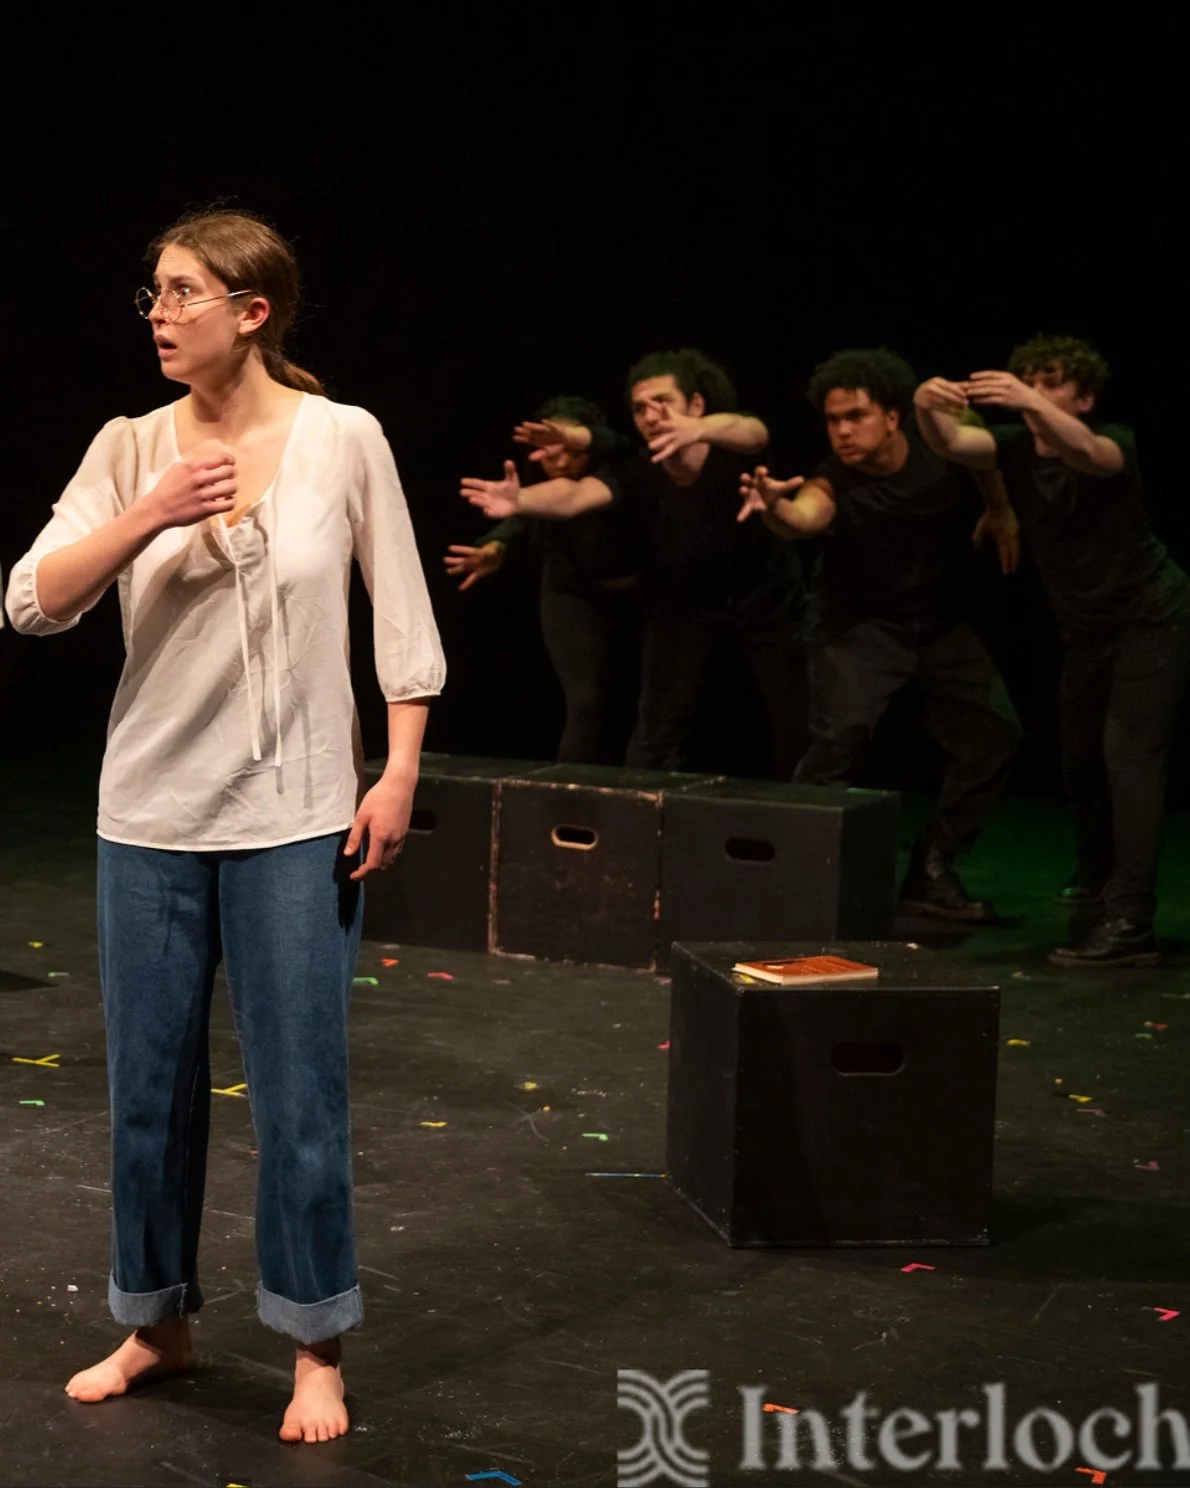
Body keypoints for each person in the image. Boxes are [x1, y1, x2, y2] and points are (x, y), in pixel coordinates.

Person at [4, 209, 445, 1439]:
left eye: (183, 292)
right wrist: (148, 515)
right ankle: (156, 1322)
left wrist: (397, 773)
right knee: (147, 1089)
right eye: (152, 292)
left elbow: (400, 614)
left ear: (251, 313)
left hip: (295, 815)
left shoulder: (342, 437)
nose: (159, 312)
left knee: (299, 1094)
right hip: (149, 812)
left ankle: (314, 1343)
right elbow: (30, 601)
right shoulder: (129, 446)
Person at [916, 335, 1190, 965]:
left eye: (1050, 383)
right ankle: (1098, 876)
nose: (1032, 392)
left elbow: (1090, 455)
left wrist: (1024, 399)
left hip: (1152, 617)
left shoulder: (1112, 439)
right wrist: (924, 404)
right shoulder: (1013, 447)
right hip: (1088, 629)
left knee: (1130, 755)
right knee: (1079, 756)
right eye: (1027, 380)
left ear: (1083, 398)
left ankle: (1131, 921)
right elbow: (951, 443)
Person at [739, 347, 1022, 921]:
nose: (842, 431)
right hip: (859, 628)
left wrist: (1000, 510)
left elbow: (985, 457)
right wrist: (773, 508)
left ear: (892, 417)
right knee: (839, 740)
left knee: (995, 735)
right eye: (832, 420)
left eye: (855, 416)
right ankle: (796, 874)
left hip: (936, 622)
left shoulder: (936, 445)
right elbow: (805, 518)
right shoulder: (833, 478)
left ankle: (933, 867)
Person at [462, 349, 806, 777]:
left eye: (663, 402)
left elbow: (754, 430)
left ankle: (808, 810)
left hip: (766, 598)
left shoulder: (733, 448)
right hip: (689, 602)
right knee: (656, 730)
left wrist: (699, 430)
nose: (650, 415)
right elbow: (576, 495)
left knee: (793, 718)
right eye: (640, 408)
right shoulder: (639, 469)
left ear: (696, 404)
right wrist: (521, 500)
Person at [445, 396, 642, 763]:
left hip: (641, 595)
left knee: (641, 701)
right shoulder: (535, 484)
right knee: (586, 701)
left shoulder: (623, 472)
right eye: (551, 454)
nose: (562, 462)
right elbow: (518, 521)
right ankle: (569, 790)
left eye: (572, 451)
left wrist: (581, 438)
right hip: (570, 590)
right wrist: (494, 548)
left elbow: (611, 453)